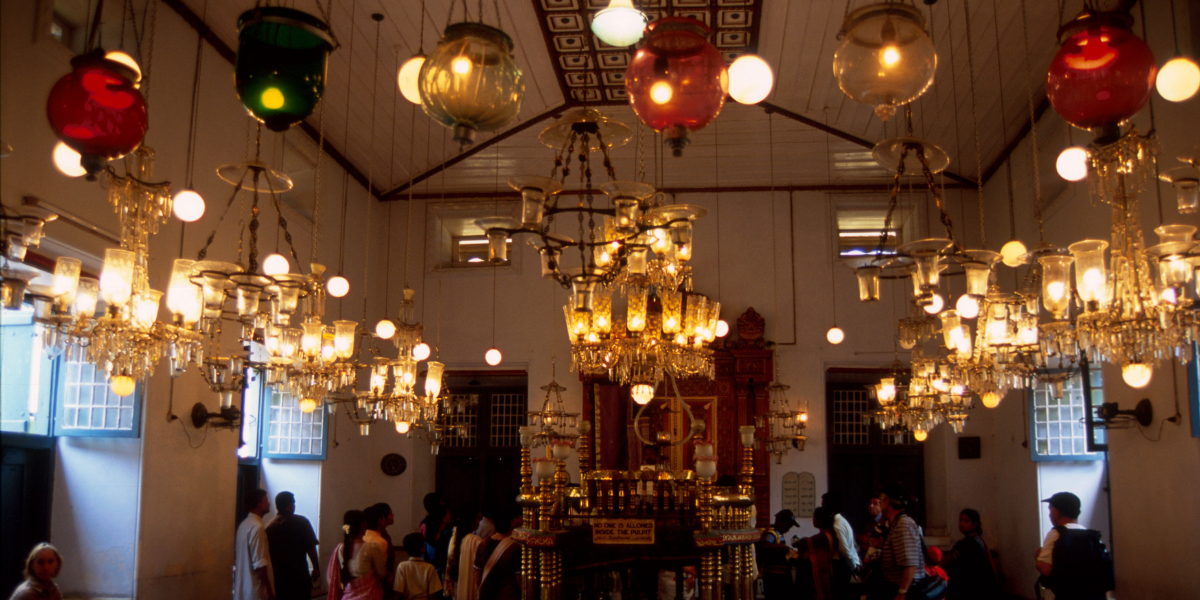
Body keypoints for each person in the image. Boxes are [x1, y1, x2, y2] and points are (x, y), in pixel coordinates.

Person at [1034, 492, 1114, 600]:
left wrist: (1039, 557)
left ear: (1056, 513)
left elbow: (1045, 568)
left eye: (1050, 509)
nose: (1049, 514)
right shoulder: (1093, 536)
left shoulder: (1057, 534)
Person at [870, 483, 926, 600]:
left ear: (888, 501)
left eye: (881, 499)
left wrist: (902, 592)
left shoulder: (903, 525)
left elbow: (910, 563)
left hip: (906, 591)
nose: (879, 502)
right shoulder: (896, 523)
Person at [266, 492, 320, 600]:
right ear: (290, 506)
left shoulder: (269, 527)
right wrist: (316, 567)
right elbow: (311, 548)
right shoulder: (301, 522)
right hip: (299, 578)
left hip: (279, 580)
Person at [328, 510, 388, 600]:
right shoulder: (372, 547)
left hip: (346, 596)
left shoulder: (340, 548)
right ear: (363, 524)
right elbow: (382, 573)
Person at [795, 507, 852, 600]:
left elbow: (806, 543)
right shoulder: (827, 534)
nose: (813, 520)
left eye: (814, 517)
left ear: (820, 519)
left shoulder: (824, 536)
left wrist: (802, 542)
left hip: (825, 573)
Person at [945, 509, 995, 600]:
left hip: (970, 591)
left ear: (975, 525)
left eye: (966, 521)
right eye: (960, 520)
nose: (961, 524)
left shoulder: (967, 543)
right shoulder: (979, 540)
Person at [474, 505, 520, 600]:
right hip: (508, 595)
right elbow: (519, 578)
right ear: (511, 523)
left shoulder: (483, 544)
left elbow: (477, 574)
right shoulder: (514, 547)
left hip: (487, 595)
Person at [236, 489, 275, 600]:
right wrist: (268, 589)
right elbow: (260, 564)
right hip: (255, 592)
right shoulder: (257, 527)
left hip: (243, 590)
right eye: (266, 500)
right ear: (259, 504)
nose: (269, 503)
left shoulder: (244, 524)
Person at [449, 511, 492, 600]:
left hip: (459, 588)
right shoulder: (477, 542)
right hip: (473, 587)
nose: (479, 522)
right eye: (477, 518)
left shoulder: (455, 540)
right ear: (471, 521)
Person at [759, 509, 798, 600]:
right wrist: (783, 548)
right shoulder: (772, 533)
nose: (788, 529)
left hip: (780, 575)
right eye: (788, 526)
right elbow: (766, 545)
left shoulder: (779, 533)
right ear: (780, 522)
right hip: (774, 577)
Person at [395, 533, 443, 600]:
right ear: (423, 547)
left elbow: (398, 591)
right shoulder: (430, 567)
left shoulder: (402, 566)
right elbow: (433, 593)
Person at [821, 493, 861, 575]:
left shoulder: (837, 524)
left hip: (844, 567)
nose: (822, 509)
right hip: (849, 564)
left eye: (824, 506)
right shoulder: (841, 520)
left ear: (830, 507)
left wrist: (853, 568)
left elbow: (844, 550)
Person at [419, 494, 453, 575]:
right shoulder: (446, 533)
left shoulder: (424, 523)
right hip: (439, 570)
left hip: (426, 568)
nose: (443, 504)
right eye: (441, 502)